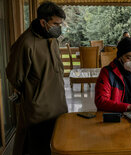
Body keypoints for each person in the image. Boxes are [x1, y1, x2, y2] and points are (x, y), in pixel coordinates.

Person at [6, 1, 68, 155]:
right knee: (37, 148)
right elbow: (15, 76)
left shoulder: (51, 38)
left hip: (59, 107)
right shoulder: (25, 43)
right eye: (56, 24)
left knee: (56, 145)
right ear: (43, 22)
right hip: (38, 112)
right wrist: (33, 92)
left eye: (60, 24)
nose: (59, 28)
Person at [95, 37, 131, 112]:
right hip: (115, 117)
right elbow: (101, 101)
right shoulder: (107, 73)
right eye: (129, 58)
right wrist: (128, 107)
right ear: (120, 58)